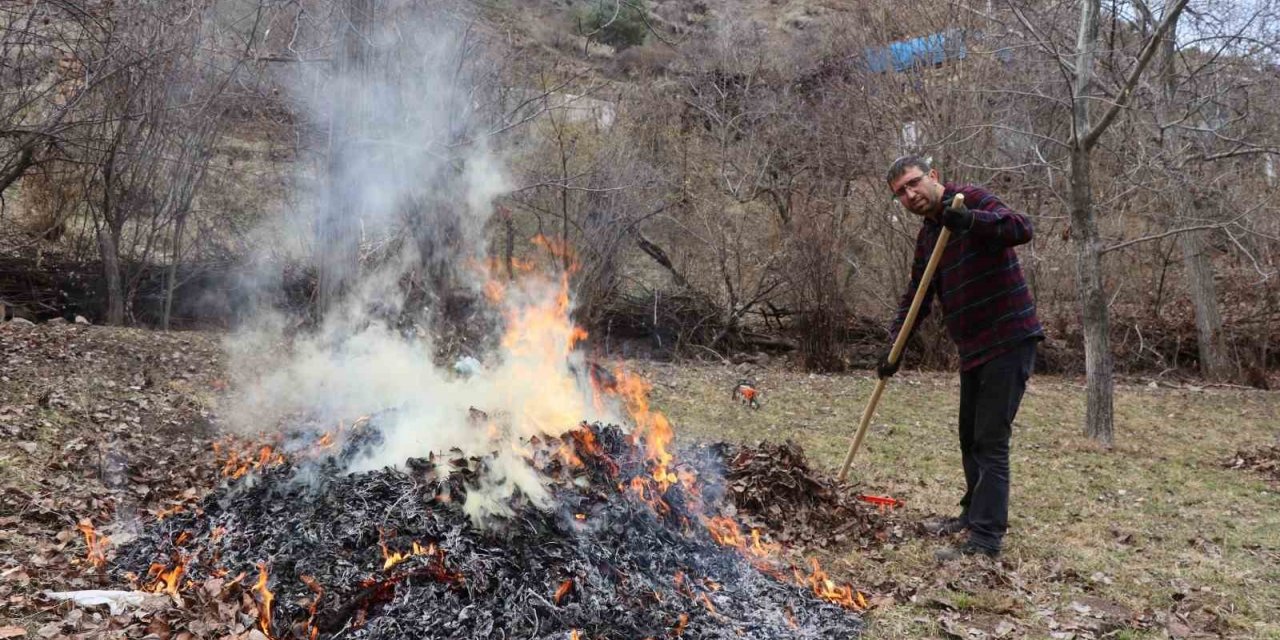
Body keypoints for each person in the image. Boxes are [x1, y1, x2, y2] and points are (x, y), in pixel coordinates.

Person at [878, 155, 1044, 560]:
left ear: (933, 177)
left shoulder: (971, 200)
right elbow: (917, 296)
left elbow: (1021, 228)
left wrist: (970, 221)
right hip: (972, 349)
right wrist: (893, 348)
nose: (910, 194)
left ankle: (986, 539)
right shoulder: (928, 236)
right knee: (969, 437)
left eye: (914, 183)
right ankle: (972, 515)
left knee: (990, 440)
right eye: (901, 192)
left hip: (1009, 338)